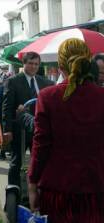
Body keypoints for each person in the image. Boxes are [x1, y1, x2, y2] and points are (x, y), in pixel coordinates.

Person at [28, 38, 104, 222]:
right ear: (88, 62)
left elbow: (41, 145)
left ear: (61, 66)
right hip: (97, 187)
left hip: (57, 189)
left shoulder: (48, 97)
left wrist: (32, 182)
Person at [2, 51, 54, 187]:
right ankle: (13, 190)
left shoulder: (45, 82)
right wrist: (7, 130)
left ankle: (38, 190)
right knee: (16, 162)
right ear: (23, 63)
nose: (33, 66)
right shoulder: (12, 81)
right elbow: (6, 107)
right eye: (30, 63)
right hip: (20, 130)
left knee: (40, 161)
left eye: (36, 64)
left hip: (39, 130)